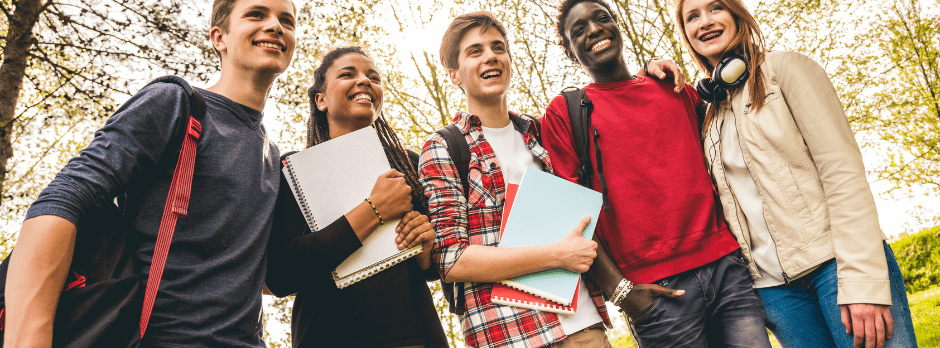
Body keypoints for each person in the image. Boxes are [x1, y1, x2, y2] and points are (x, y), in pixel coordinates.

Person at [3, 0, 295, 346]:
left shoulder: (273, 157)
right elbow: (65, 198)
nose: (276, 26)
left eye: (287, 21)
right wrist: (28, 337)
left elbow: (255, 276)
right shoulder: (177, 104)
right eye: (257, 14)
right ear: (219, 37)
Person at [419, 11, 686, 348]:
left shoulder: (544, 131)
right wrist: (558, 255)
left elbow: (618, 128)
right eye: (475, 51)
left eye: (498, 47)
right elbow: (451, 260)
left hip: (583, 325)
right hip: (508, 334)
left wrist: (646, 76)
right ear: (454, 74)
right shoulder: (444, 147)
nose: (491, 56)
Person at [672, 0, 919, 347]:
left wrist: (862, 279)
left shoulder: (785, 69)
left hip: (837, 267)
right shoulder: (711, 113)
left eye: (715, 8)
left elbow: (841, 171)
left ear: (736, 14)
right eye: (692, 17)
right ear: (686, 33)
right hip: (776, 293)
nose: (705, 22)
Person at [540, 0, 775, 346]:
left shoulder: (672, 87)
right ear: (571, 52)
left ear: (616, 26)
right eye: (578, 30)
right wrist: (622, 294)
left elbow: (727, 149)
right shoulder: (566, 112)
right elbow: (571, 216)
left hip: (727, 270)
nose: (593, 29)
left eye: (601, 18)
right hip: (656, 296)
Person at [264, 46, 449, 348]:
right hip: (326, 335)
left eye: (373, 77)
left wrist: (425, 245)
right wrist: (374, 210)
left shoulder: (409, 164)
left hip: (414, 334)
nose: (364, 81)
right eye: (347, 74)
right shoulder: (293, 170)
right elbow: (282, 274)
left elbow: (429, 270)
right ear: (320, 100)